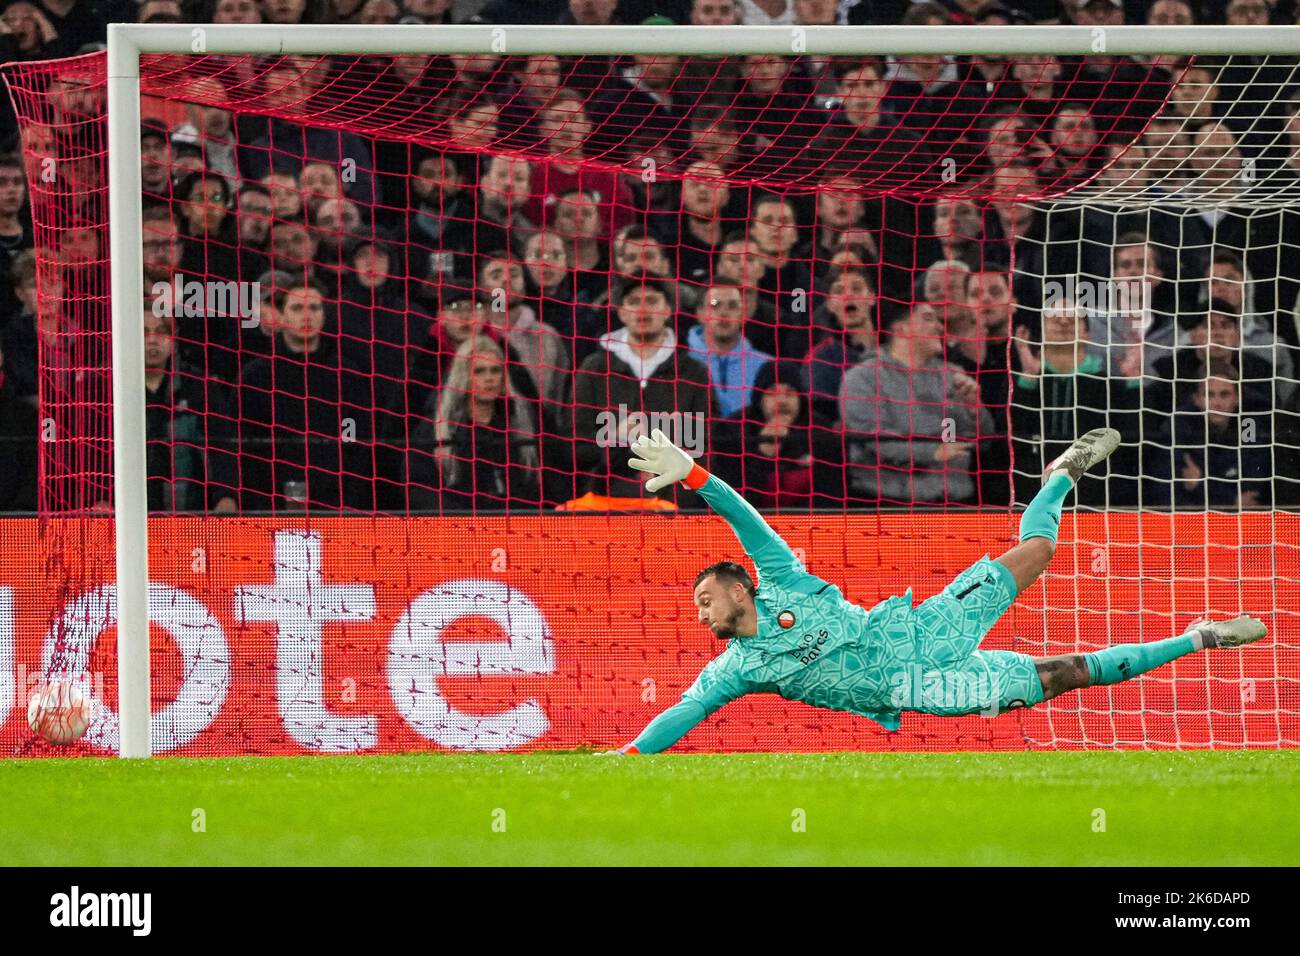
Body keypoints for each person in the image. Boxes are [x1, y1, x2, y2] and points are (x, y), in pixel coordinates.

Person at [601, 428, 1267, 754]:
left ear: (742, 589)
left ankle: (1061, 475)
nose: (701, 610)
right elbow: (681, 717)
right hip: (923, 691)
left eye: (706, 596)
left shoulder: (780, 577)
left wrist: (694, 475)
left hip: (922, 631)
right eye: (697, 608)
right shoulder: (736, 670)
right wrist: (630, 754)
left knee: (1038, 551)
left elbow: (745, 518)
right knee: (1066, 673)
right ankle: (1200, 636)